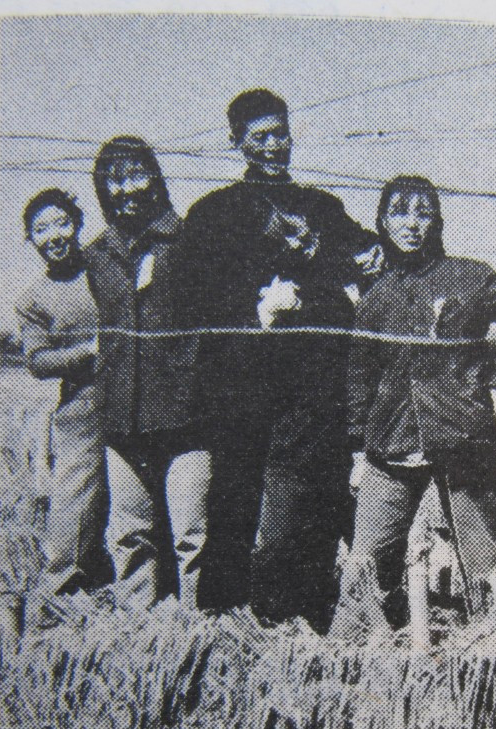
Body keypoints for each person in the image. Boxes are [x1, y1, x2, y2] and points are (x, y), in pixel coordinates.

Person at [172, 88, 380, 630]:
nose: (273, 146)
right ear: (237, 142)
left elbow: (364, 258)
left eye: (280, 133)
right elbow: (190, 294)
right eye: (260, 137)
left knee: (311, 494)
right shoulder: (213, 213)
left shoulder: (322, 206)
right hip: (242, 380)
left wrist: (320, 258)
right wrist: (253, 309)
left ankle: (303, 613)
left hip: (313, 381)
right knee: (235, 493)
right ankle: (224, 615)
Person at [343, 175, 496, 627]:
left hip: (464, 437)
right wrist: (356, 449)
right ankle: (353, 655)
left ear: (437, 222)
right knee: (367, 559)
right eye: (399, 213)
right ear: (383, 223)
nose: (412, 224)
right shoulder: (376, 297)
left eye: (423, 213)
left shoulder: (470, 276)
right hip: (392, 442)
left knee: (485, 559)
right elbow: (359, 377)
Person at [84, 136, 210, 611]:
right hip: (122, 416)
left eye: (137, 175)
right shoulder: (97, 254)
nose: (127, 189)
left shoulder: (187, 241)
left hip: (185, 413)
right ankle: (139, 629)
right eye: (114, 180)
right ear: (102, 189)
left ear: (155, 179)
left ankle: (192, 628)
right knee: (131, 532)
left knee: (191, 533)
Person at [15, 188, 109, 624]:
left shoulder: (106, 267)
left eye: (61, 223)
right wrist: (87, 352)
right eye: (41, 229)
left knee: (133, 507)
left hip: (138, 399)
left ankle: (126, 593)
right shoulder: (33, 299)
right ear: (31, 240)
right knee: (74, 503)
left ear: (78, 223)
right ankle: (54, 607)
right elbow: (36, 361)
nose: (54, 234)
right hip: (81, 410)